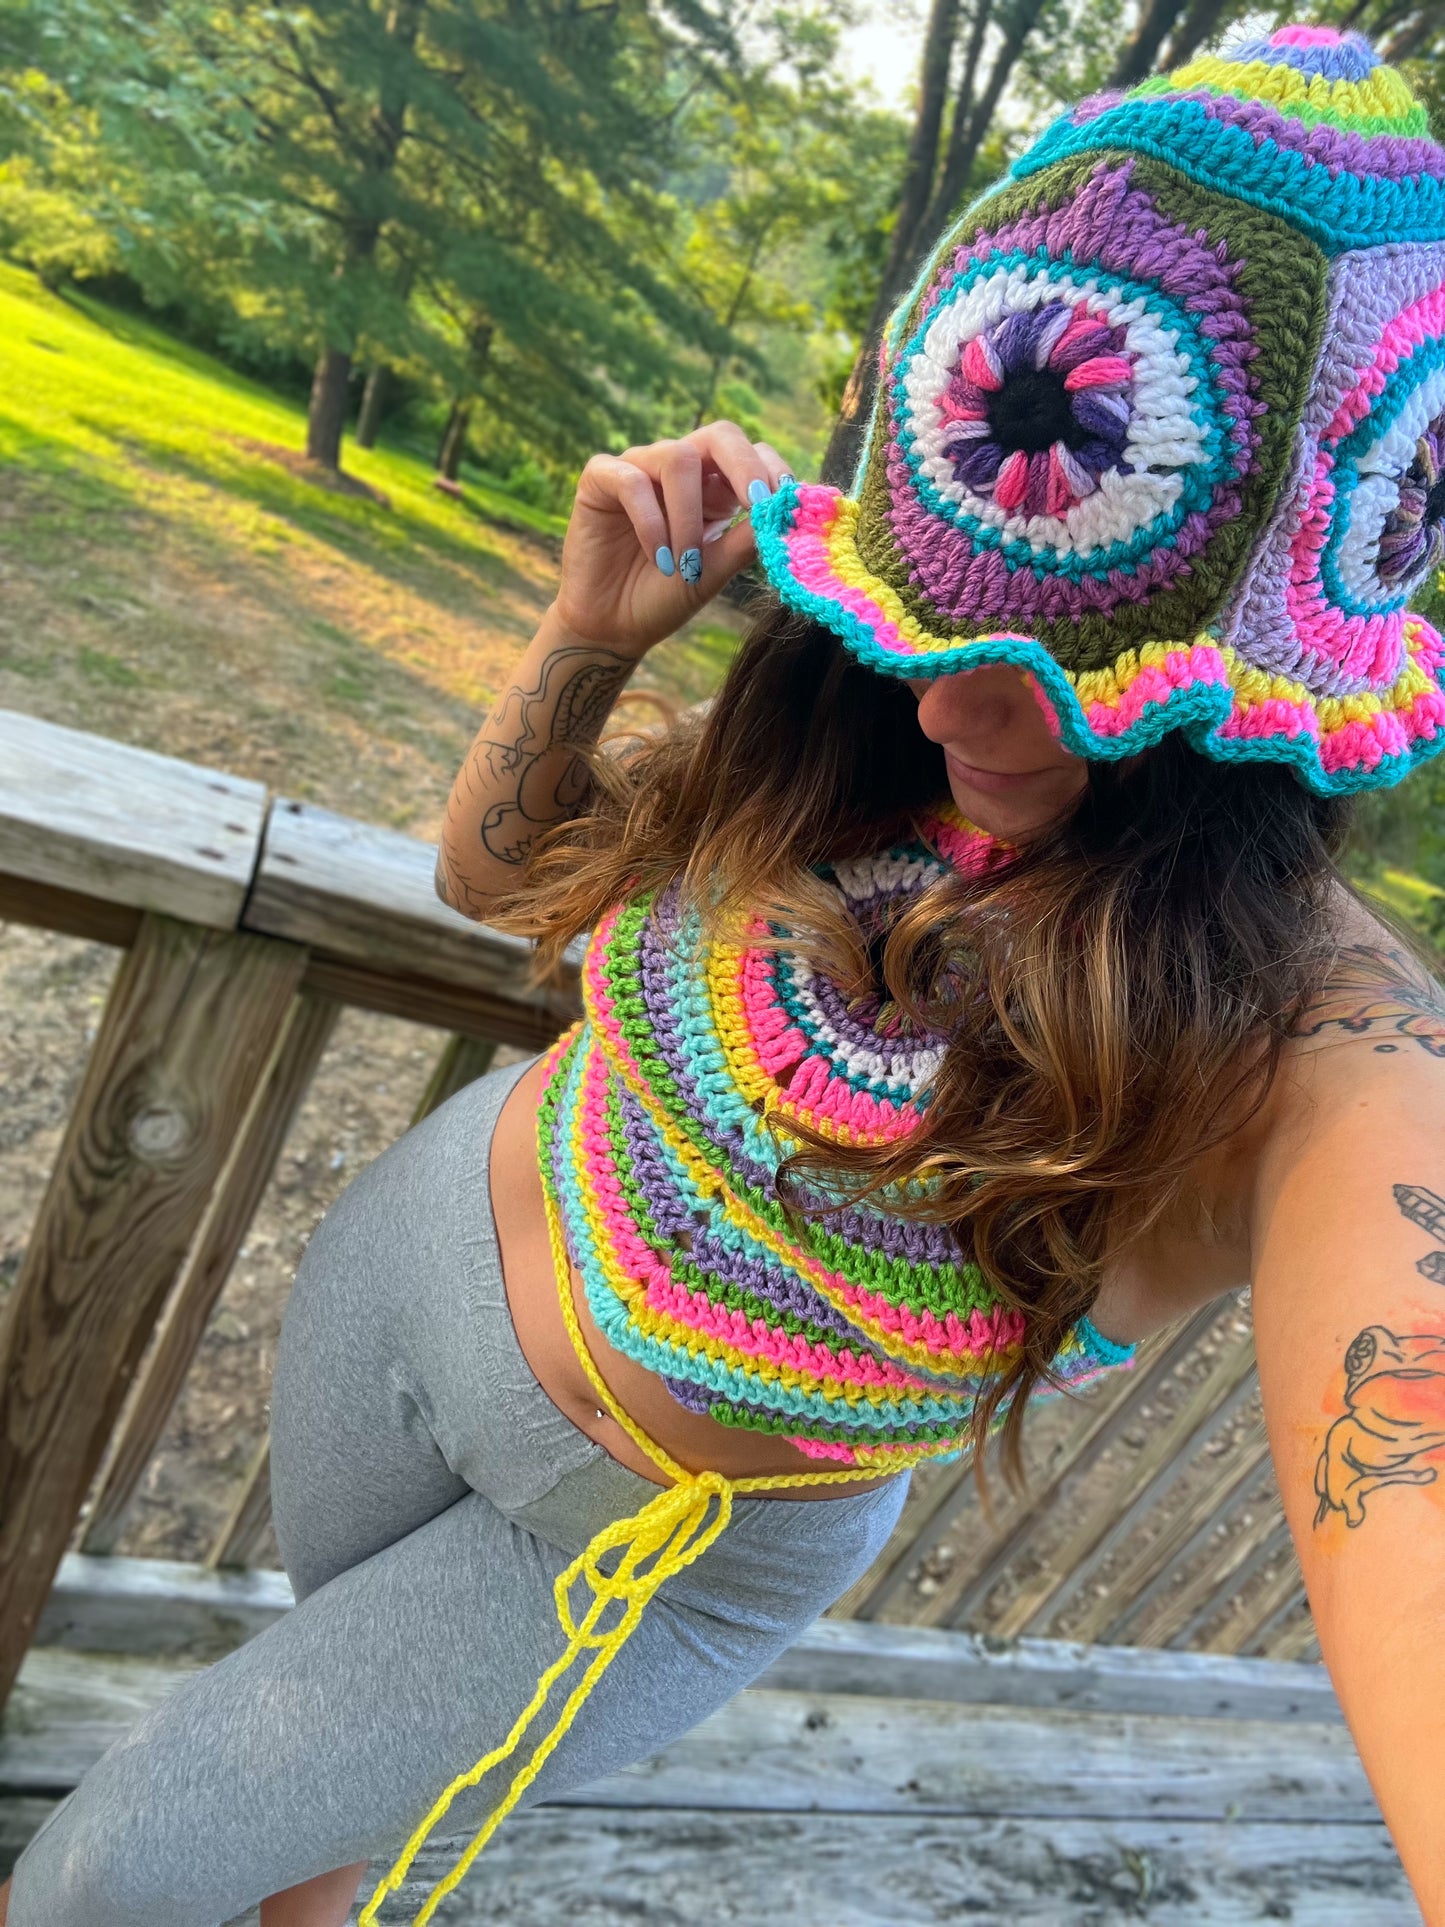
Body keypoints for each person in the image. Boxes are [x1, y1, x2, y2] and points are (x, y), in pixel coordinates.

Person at [7, 19, 1445, 1927]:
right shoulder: (849, 722)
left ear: (1260, 678)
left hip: (630, 1549)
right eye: (928, 621)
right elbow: (493, 875)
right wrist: (591, 630)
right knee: (310, 1843)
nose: (946, 708)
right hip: (400, 1271)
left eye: (1065, 674)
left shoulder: (1314, 1033)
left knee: (101, 1880)